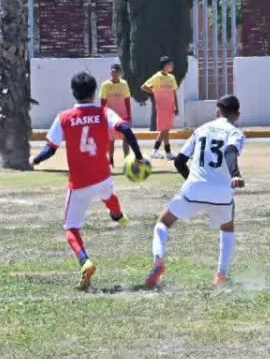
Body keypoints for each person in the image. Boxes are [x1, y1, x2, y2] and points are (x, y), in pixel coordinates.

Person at [32, 71, 147, 291]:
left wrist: (35, 160)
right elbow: (126, 129)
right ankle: (118, 215)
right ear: (95, 92)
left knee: (70, 228)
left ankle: (85, 261)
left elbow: (50, 149)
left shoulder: (64, 117)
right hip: (103, 176)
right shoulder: (104, 112)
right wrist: (139, 157)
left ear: (73, 92)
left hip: (80, 183)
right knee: (108, 195)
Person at [143, 95, 246, 290]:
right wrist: (235, 174)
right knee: (227, 227)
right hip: (221, 192)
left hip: (194, 188)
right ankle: (221, 276)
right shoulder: (236, 133)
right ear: (237, 115)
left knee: (163, 222)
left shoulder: (201, 130)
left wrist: (193, 182)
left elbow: (179, 161)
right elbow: (230, 151)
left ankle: (158, 261)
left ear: (217, 112)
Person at [142, 56, 180, 160]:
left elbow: (174, 92)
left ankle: (168, 153)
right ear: (165, 65)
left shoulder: (172, 77)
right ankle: (154, 151)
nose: (172, 66)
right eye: (170, 64)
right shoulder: (157, 76)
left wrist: (176, 106)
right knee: (164, 130)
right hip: (162, 106)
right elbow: (144, 86)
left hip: (170, 107)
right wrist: (154, 92)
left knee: (166, 130)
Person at [99, 63, 133, 168]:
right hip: (110, 117)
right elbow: (103, 103)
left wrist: (129, 116)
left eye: (116, 72)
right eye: (112, 71)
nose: (114, 74)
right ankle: (111, 161)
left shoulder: (124, 84)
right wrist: (104, 116)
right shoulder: (105, 85)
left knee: (126, 139)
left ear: (120, 73)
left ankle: (127, 161)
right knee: (111, 140)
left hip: (123, 117)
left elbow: (127, 101)